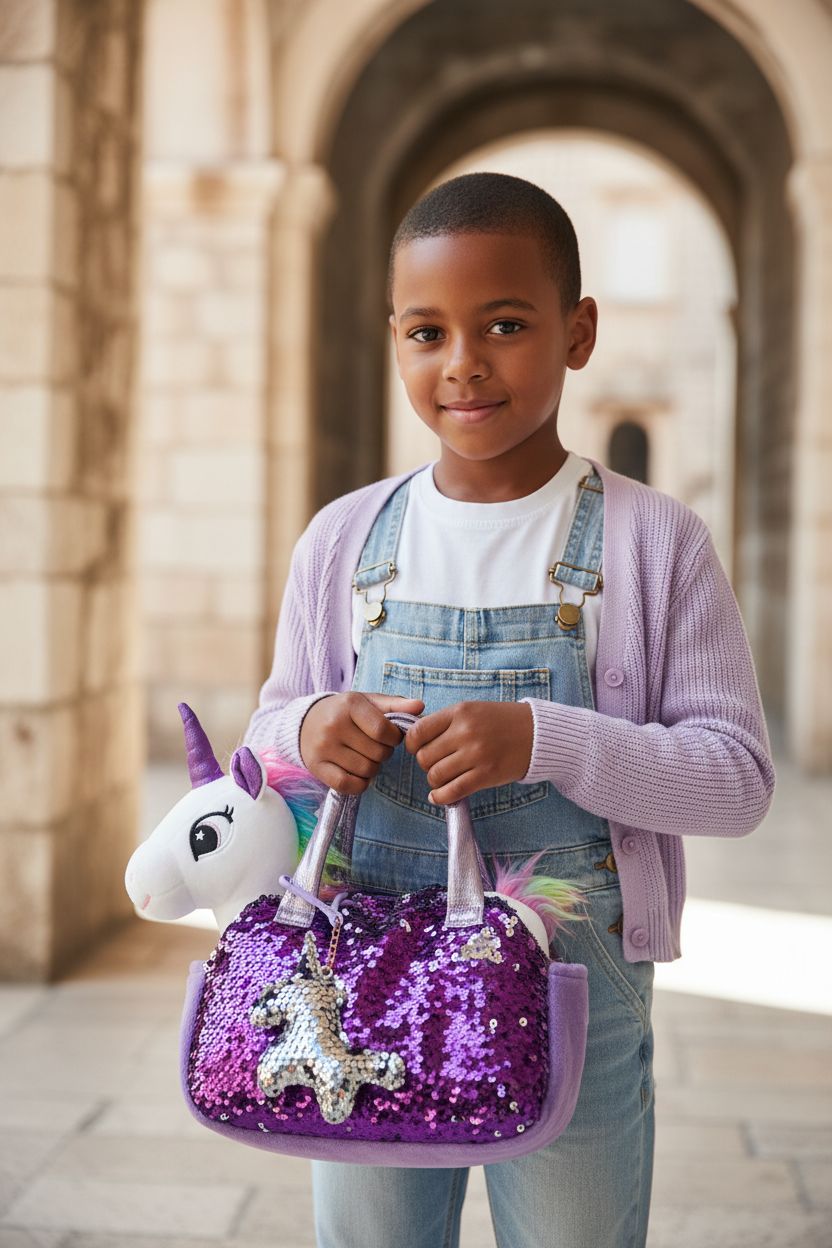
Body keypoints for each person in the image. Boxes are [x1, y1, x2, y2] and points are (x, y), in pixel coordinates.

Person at [242, 171, 776, 1248]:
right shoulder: (343, 539)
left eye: (504, 324)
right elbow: (263, 735)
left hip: (573, 980)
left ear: (577, 333)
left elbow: (736, 778)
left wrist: (547, 739)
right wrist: (305, 731)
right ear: (392, 339)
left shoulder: (654, 542)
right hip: (358, 983)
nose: (463, 363)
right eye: (426, 331)